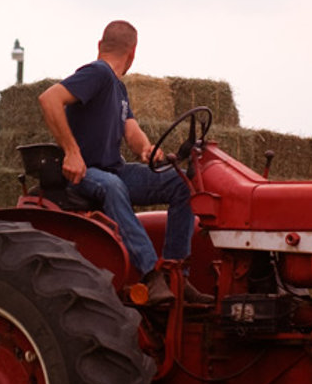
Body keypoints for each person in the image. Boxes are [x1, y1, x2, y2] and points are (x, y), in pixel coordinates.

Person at [38, 20, 212, 305]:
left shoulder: (117, 88)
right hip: (86, 174)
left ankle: (174, 274)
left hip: (112, 169)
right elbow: (49, 99)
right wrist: (71, 151)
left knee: (179, 182)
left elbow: (131, 129)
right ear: (133, 53)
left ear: (99, 45)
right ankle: (150, 275)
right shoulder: (98, 73)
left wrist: (145, 148)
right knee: (113, 185)